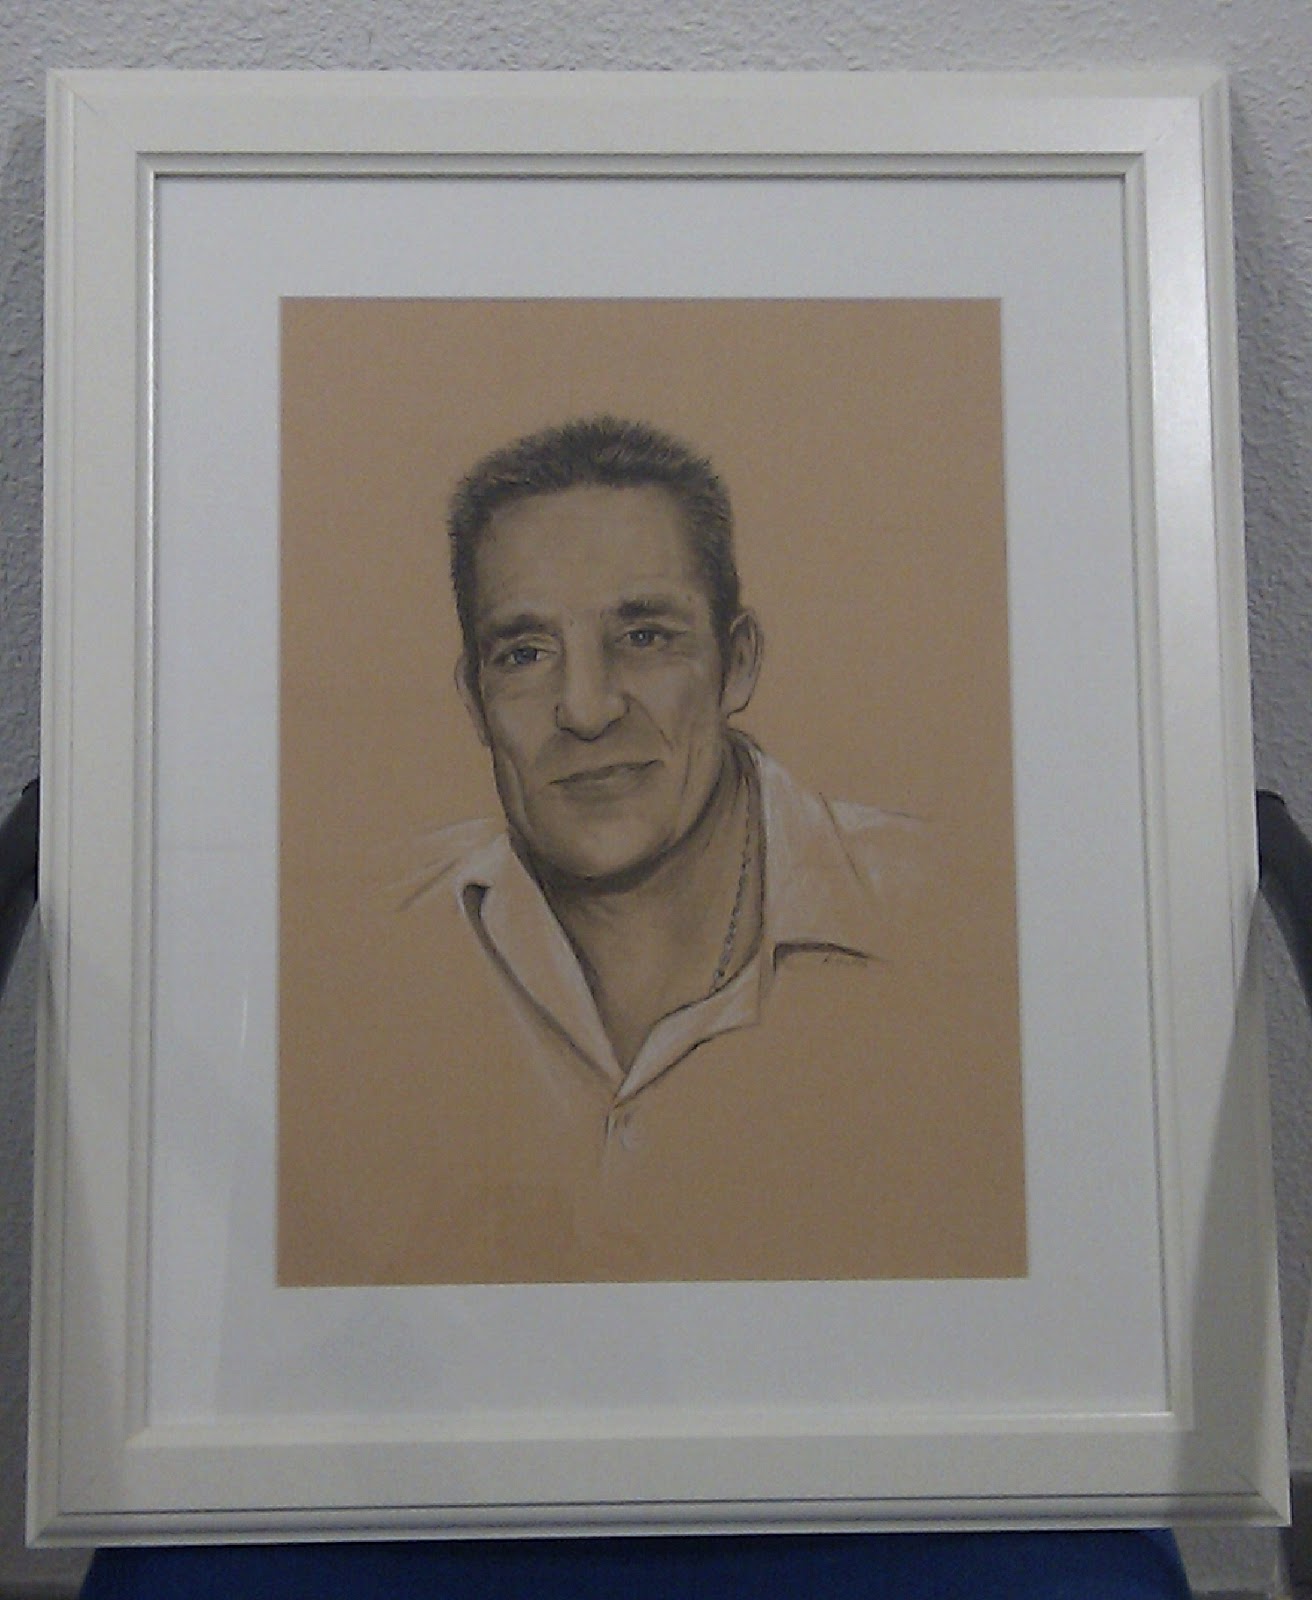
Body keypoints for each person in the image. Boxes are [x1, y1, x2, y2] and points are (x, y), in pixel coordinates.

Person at [278, 417, 1027, 1287]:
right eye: (525, 653)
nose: (586, 709)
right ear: (476, 703)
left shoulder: (958, 921)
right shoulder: (353, 939)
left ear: (736, 664)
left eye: (643, 638)